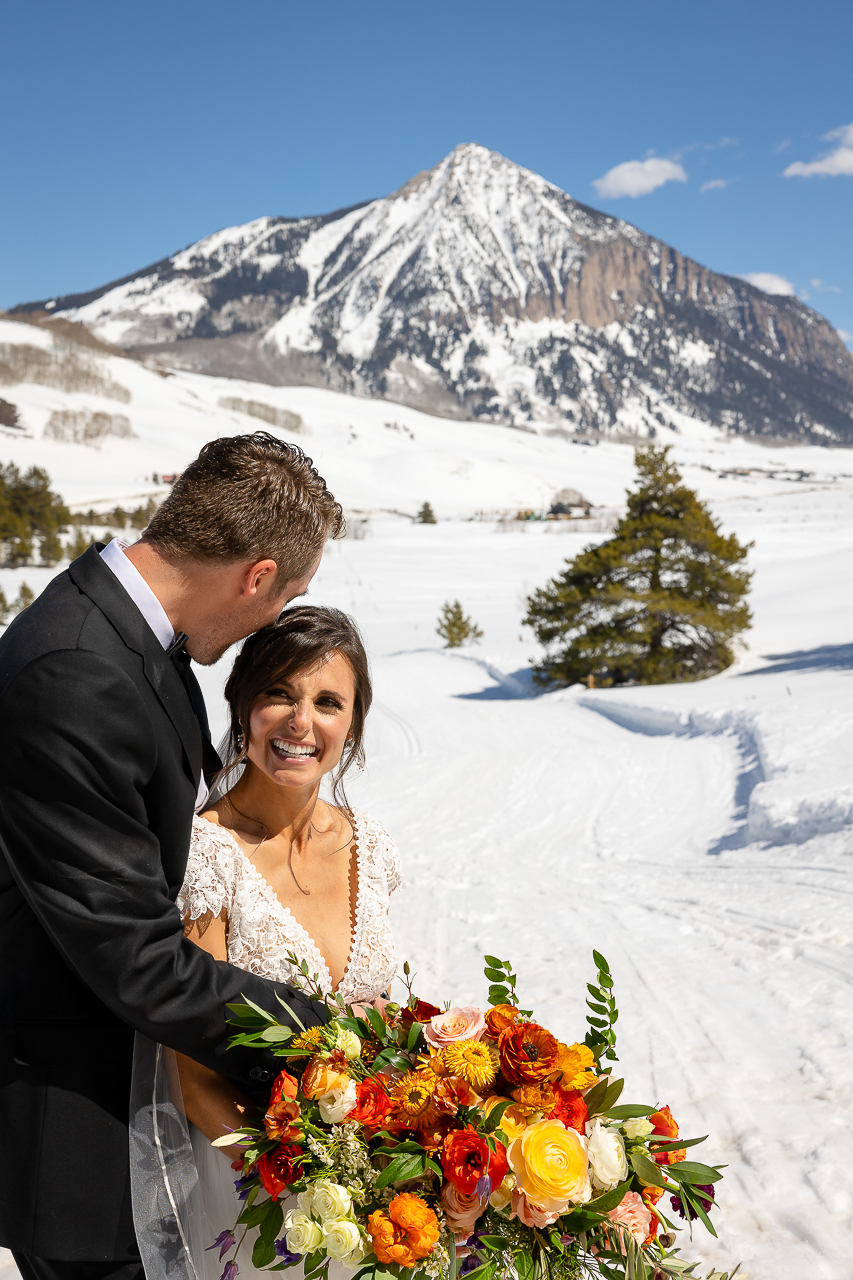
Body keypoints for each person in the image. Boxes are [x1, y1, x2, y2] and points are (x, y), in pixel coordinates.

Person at [0, 433, 346, 1280]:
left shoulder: (134, 634)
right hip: (77, 1139)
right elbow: (133, 957)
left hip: (147, 1116)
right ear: (256, 575)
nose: (270, 621)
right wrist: (328, 1032)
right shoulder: (80, 667)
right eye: (284, 596)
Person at [138, 605, 399, 1280]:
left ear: (353, 723)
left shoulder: (369, 846)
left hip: (367, 1198)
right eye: (278, 693)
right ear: (243, 706)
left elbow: (381, 1024)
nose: (300, 721)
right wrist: (307, 1195)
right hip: (253, 1200)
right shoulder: (205, 852)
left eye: (326, 702)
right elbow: (191, 1082)